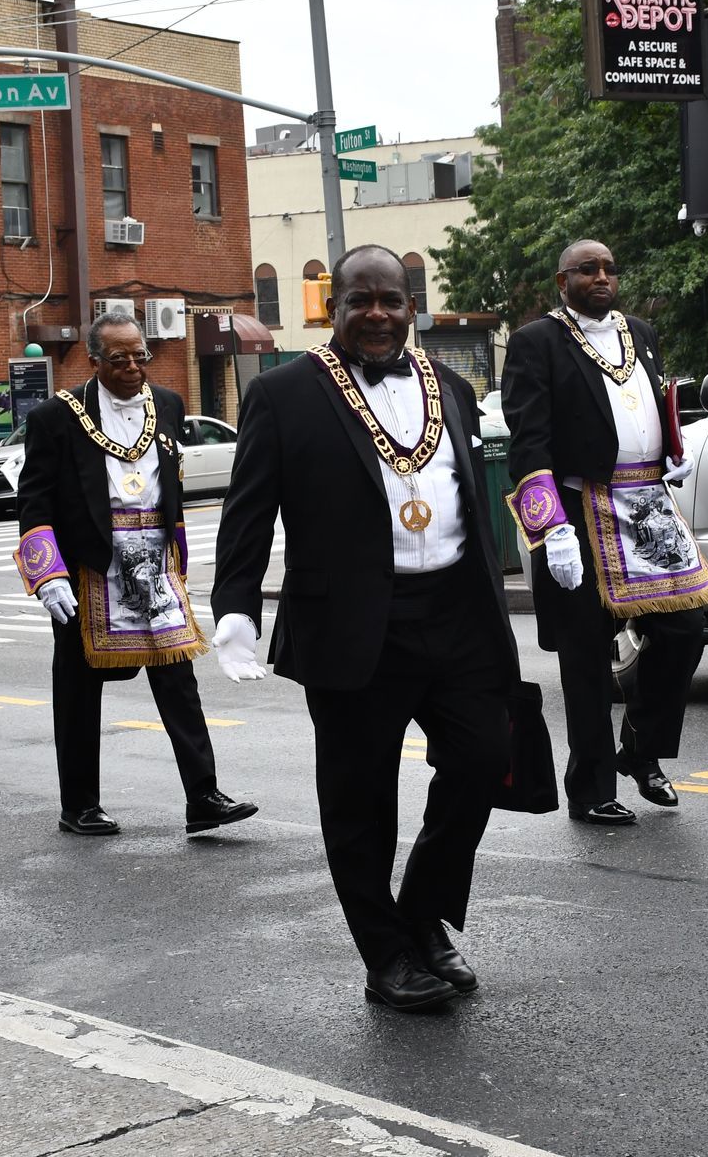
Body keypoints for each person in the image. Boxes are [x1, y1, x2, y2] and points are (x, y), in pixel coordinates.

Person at [212, 244, 518, 1012]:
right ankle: (386, 956)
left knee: (484, 759)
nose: (377, 314)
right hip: (351, 625)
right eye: (360, 301)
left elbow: (468, 498)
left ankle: (422, 912)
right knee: (361, 798)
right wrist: (235, 607)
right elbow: (249, 511)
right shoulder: (283, 394)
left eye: (391, 300)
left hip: (456, 613)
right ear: (334, 307)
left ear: (412, 306)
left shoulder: (453, 387)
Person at [501, 239, 708, 827]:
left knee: (685, 629)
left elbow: (650, 405)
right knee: (586, 656)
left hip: (647, 501)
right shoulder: (536, 342)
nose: (601, 277)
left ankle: (642, 748)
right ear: (562, 281)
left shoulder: (640, 332)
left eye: (609, 269)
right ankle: (592, 788)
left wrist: (671, 451)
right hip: (579, 507)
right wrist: (551, 528)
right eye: (587, 269)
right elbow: (528, 442)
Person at [14, 310, 255, 839]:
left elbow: (172, 489)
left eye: (139, 356)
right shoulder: (57, 416)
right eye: (119, 359)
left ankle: (203, 796)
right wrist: (48, 574)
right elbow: (34, 501)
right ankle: (79, 804)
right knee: (79, 689)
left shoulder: (166, 404)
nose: (132, 368)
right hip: (89, 566)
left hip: (154, 561)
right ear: (94, 360)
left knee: (178, 680)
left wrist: (179, 559)